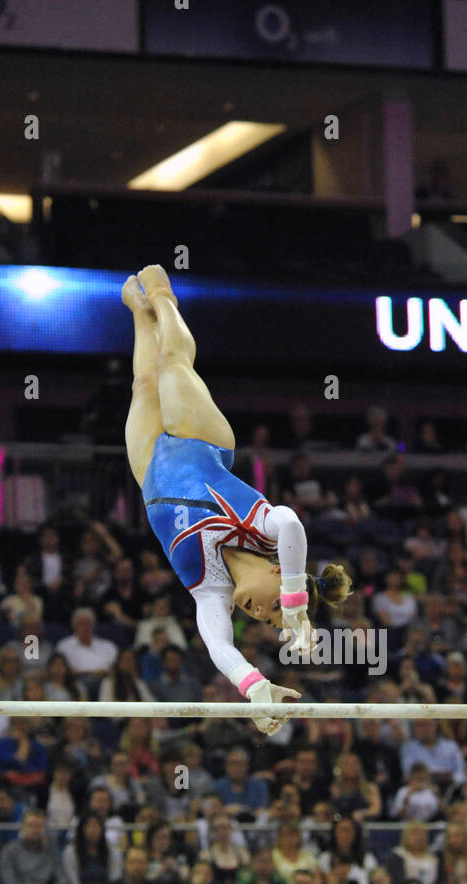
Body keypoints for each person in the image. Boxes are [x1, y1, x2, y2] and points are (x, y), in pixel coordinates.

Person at [120, 265, 352, 734]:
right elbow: (290, 523)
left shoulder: (211, 590)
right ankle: (165, 297)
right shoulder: (260, 528)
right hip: (200, 439)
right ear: (277, 572)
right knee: (171, 365)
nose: (261, 616)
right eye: (272, 611)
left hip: (149, 469)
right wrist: (295, 604)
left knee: (143, 383)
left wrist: (255, 686)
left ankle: (139, 314)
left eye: (265, 620)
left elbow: (218, 647)